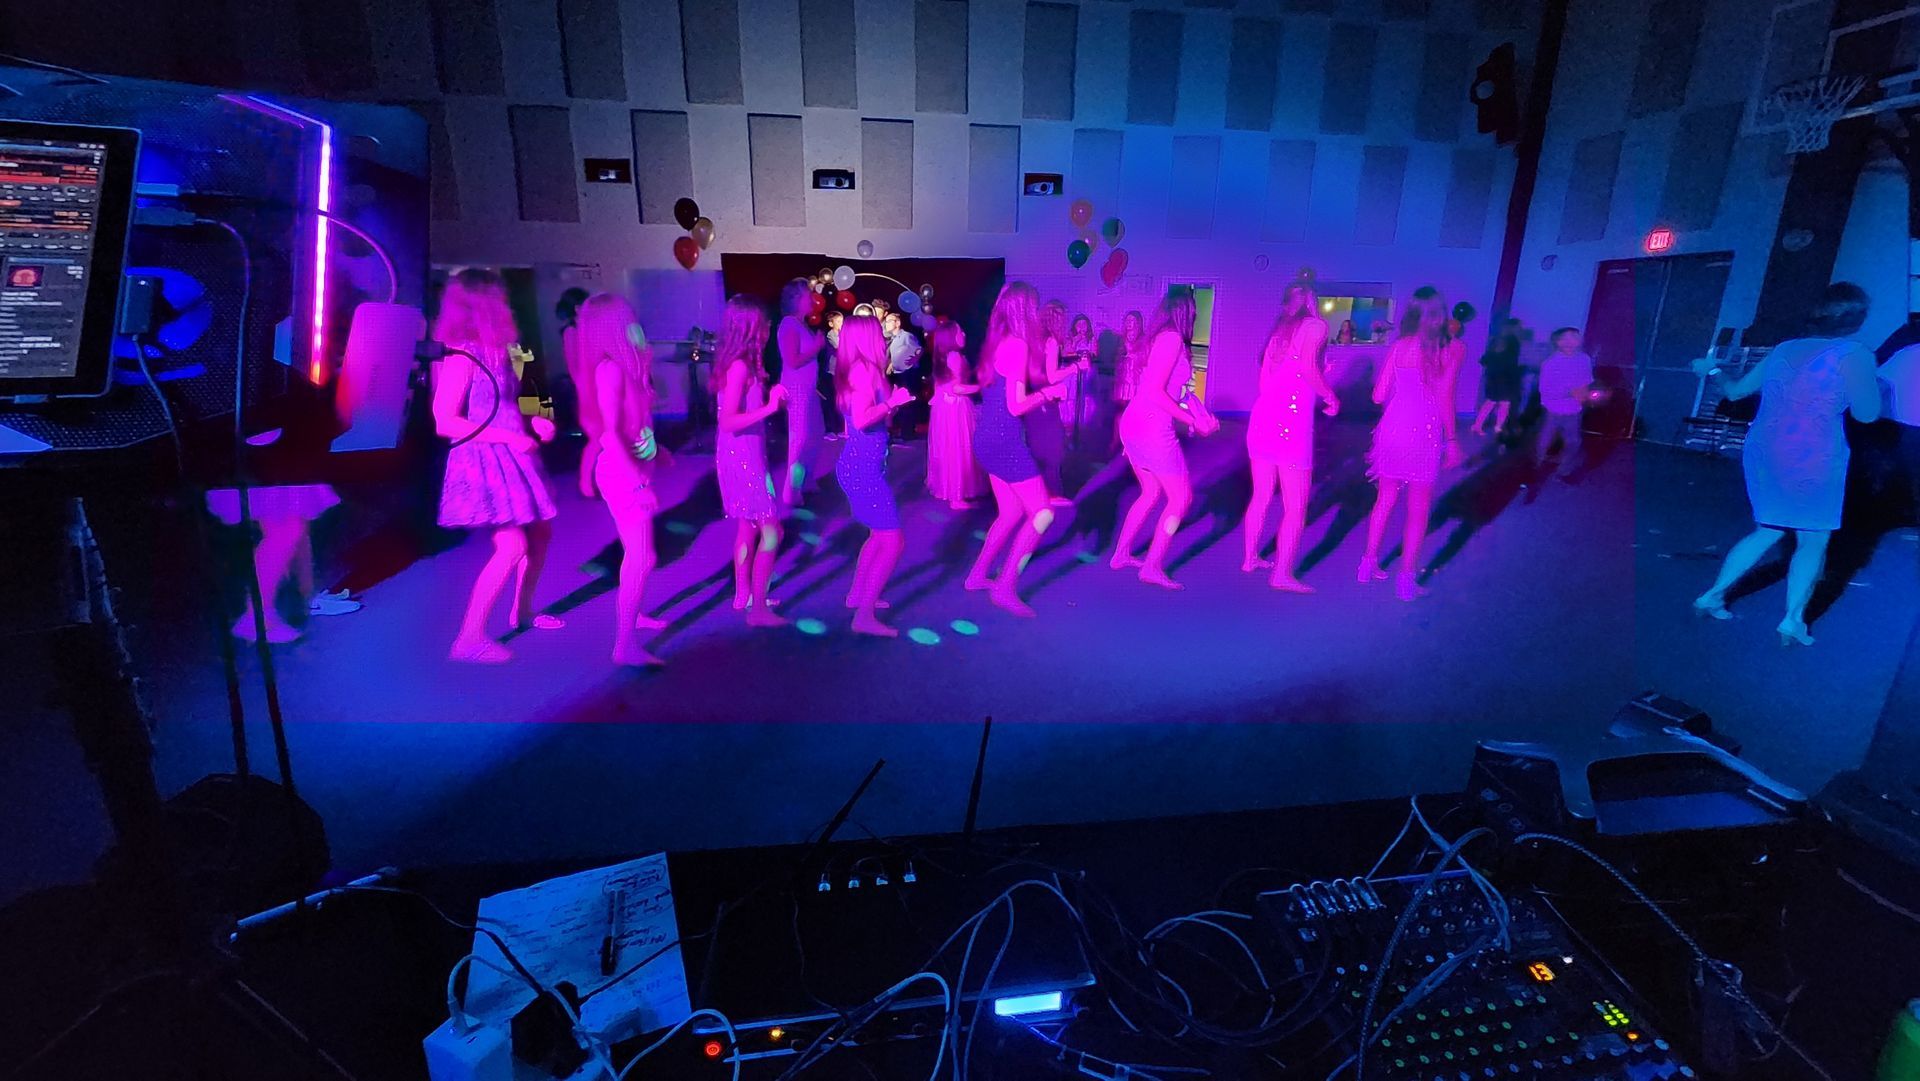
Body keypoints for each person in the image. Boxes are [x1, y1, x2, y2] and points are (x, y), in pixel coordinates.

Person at [1690, 282, 1883, 646]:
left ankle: (1712, 595)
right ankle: (1793, 620)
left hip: (1764, 448)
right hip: (1813, 453)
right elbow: (1867, 414)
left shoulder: (1783, 350)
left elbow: (1734, 393)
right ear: (1856, 317)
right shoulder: (1855, 354)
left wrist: (1712, 371)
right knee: (1813, 538)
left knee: (1768, 528)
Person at [432, 269, 561, 663]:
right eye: (499, 296)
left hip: (514, 454)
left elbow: (519, 396)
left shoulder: (504, 348)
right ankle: (468, 639)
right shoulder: (460, 353)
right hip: (486, 457)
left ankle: (523, 612)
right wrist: (509, 436)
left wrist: (539, 418)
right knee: (511, 545)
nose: (506, 303)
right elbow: (444, 420)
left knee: (539, 536)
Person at [576, 293, 672, 665]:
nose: (636, 324)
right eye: (628, 319)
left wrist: (655, 453)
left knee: (641, 555)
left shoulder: (628, 365)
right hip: (620, 473)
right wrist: (639, 483)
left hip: (632, 466)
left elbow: (636, 426)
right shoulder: (609, 369)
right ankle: (624, 647)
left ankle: (635, 614)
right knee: (642, 555)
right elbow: (609, 435)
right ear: (613, 327)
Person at [964, 283, 1072, 616]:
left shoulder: (999, 341)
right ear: (1026, 310)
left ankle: (978, 575)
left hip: (987, 438)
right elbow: (1015, 406)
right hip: (1004, 441)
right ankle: (1005, 585)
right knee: (1042, 512)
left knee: (1011, 512)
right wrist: (1048, 394)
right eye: (1035, 307)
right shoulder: (1018, 345)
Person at [1359, 289, 1466, 602]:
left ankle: (1368, 564)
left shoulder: (1400, 346)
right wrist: (1453, 440)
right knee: (1418, 508)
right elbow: (1446, 397)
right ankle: (1406, 580)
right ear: (1441, 313)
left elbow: (1378, 396)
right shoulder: (1453, 348)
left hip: (1393, 427)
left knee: (1385, 498)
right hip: (1425, 430)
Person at [1111, 288, 1219, 589]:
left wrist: (1201, 414)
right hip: (1150, 425)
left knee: (1150, 492)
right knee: (1181, 498)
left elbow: (1181, 392)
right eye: (1194, 311)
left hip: (1137, 422)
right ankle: (1152, 565)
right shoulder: (1171, 338)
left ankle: (1121, 554)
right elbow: (1155, 392)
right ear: (1185, 311)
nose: (1196, 317)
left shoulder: (1163, 338)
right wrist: (1193, 422)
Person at [1243, 282, 1339, 591]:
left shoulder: (1279, 333)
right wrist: (1330, 395)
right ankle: (1281, 574)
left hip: (1262, 417)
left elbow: (1266, 383)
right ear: (1312, 300)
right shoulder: (1316, 326)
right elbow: (1309, 370)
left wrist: (1316, 377)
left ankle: (1250, 558)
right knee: (1296, 505)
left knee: (1261, 495)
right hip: (1291, 423)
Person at [834, 315, 913, 636]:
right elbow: (863, 419)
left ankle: (858, 595)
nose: (883, 338)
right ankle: (864, 616)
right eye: (878, 333)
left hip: (858, 464)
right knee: (893, 541)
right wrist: (890, 403)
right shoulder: (864, 370)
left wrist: (892, 406)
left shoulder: (856, 370)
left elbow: (858, 423)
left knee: (877, 535)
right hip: (863, 469)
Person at [713, 294, 789, 625]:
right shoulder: (740, 366)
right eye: (764, 323)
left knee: (747, 526)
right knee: (772, 532)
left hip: (746, 453)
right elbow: (728, 421)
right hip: (741, 457)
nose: (769, 328)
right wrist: (770, 407)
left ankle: (745, 594)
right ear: (750, 327)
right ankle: (758, 609)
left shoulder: (742, 363)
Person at [777, 278, 827, 506]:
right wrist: (816, 348)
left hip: (807, 388)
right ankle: (792, 490)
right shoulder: (788, 324)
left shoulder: (801, 323)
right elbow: (792, 360)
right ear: (796, 300)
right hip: (796, 389)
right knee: (800, 437)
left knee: (815, 432)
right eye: (808, 297)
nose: (812, 301)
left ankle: (806, 479)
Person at [926, 321, 986, 509]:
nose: (964, 334)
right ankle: (956, 495)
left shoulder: (944, 357)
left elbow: (942, 386)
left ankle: (952, 491)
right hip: (955, 408)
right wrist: (982, 387)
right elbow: (956, 388)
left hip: (944, 408)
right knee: (958, 447)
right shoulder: (955, 357)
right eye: (960, 331)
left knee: (949, 447)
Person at [1532, 327, 1595, 482]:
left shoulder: (1584, 359)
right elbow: (1544, 389)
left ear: (1579, 340)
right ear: (1557, 342)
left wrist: (1585, 395)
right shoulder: (1550, 363)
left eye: (1573, 338)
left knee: (1574, 442)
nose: (1569, 342)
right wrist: (1570, 392)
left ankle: (1563, 470)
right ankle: (1535, 469)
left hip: (1574, 409)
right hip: (1552, 409)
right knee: (1544, 441)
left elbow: (1587, 381)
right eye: (1564, 339)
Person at [1028, 300, 1075, 504]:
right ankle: (1052, 495)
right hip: (1046, 400)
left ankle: (1036, 494)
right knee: (1053, 446)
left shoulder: (1034, 339)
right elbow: (1053, 376)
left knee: (1037, 447)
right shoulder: (1051, 341)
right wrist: (1075, 368)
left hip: (1033, 399)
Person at [555, 287, 600, 497]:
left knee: (602, 437)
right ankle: (586, 483)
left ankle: (592, 481)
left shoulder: (586, 330)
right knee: (597, 437)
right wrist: (587, 393)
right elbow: (574, 367)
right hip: (587, 392)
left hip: (594, 389)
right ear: (578, 307)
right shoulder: (571, 332)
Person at [1880, 339, 1920, 514]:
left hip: (1908, 430)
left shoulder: (1910, 352)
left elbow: (1879, 390)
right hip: (1909, 431)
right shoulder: (1911, 352)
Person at [1471, 319, 1524, 437]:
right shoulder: (1512, 341)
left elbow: (1484, 360)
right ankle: (1495, 427)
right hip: (1504, 378)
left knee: (1494, 402)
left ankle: (1480, 425)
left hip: (1496, 377)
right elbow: (1510, 361)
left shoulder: (1498, 341)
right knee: (1501, 403)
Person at [883, 310, 924, 442]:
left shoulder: (906, 336)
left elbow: (919, 349)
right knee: (901, 402)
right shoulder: (894, 340)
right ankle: (904, 431)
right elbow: (896, 355)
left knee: (908, 402)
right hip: (899, 374)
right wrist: (891, 365)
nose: (886, 324)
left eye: (889, 321)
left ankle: (908, 433)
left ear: (898, 323)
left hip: (909, 374)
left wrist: (915, 359)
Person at [1110, 310, 1146, 452]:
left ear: (1138, 323)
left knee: (1134, 413)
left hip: (1135, 380)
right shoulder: (1121, 339)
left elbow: (1142, 357)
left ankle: (1131, 443)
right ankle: (1115, 441)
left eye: (1132, 321)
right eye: (1127, 320)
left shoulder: (1143, 339)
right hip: (1123, 379)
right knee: (1120, 412)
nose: (1129, 324)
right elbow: (1116, 358)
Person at [1062, 313, 1095, 441]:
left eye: (1084, 324)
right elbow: (1065, 353)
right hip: (1071, 375)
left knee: (1085, 401)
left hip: (1086, 374)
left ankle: (1083, 432)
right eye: (1079, 323)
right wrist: (1076, 340)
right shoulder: (1069, 338)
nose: (1082, 326)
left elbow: (1094, 354)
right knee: (1070, 401)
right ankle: (1069, 433)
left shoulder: (1092, 339)